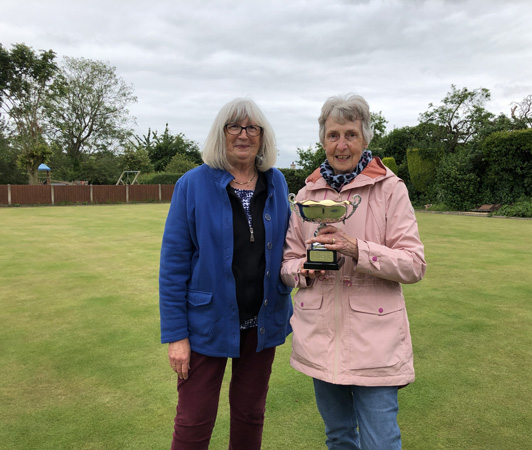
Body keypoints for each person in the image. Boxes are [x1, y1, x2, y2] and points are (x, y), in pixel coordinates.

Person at [281, 94, 426, 449]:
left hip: (374, 342)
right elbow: (286, 265)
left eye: (350, 134)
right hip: (321, 340)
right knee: (339, 437)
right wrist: (305, 268)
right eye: (333, 135)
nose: (341, 144)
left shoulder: (390, 189)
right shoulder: (305, 194)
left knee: (380, 442)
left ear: (365, 140)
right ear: (323, 139)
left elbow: (413, 264)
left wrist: (355, 249)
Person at [159, 98, 293, 450]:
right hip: (207, 324)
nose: (243, 135)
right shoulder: (192, 184)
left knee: (251, 415)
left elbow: (291, 244)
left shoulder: (276, 182)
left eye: (252, 128)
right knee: (193, 421)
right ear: (221, 134)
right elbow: (173, 265)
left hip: (261, 323)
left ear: (263, 136)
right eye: (234, 127)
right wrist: (176, 335)